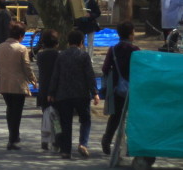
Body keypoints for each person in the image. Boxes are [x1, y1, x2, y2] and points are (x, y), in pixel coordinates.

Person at [49, 29, 99, 159]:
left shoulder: (61, 55)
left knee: (66, 123)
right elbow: (89, 76)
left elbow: (55, 75)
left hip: (63, 95)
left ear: (68, 42)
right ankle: (83, 143)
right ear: (81, 42)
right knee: (85, 120)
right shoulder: (84, 56)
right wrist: (94, 93)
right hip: (81, 94)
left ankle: (66, 150)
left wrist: (51, 92)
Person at [0, 21, 36, 150]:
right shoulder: (22, 49)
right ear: (21, 35)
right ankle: (13, 138)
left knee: (10, 109)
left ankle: (13, 136)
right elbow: (27, 67)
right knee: (17, 112)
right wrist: (33, 79)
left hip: (4, 84)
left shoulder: (0, 47)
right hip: (18, 85)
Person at [100, 21, 140, 155]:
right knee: (133, 117)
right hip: (133, 89)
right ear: (130, 35)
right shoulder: (135, 50)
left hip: (117, 89)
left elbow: (105, 68)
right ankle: (131, 145)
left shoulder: (113, 50)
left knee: (115, 117)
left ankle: (107, 139)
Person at [34, 29, 60, 151]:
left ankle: (44, 139)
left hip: (43, 89)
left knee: (45, 115)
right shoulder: (59, 55)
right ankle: (56, 140)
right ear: (56, 43)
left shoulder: (40, 55)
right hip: (57, 90)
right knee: (56, 118)